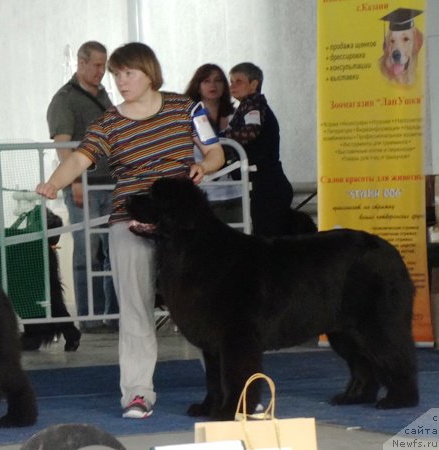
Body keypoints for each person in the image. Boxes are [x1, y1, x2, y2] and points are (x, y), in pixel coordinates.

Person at [36, 42, 225, 419]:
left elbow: (215, 152)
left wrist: (206, 167)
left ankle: (229, 390)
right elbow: (79, 158)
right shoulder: (108, 122)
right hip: (130, 219)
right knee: (136, 309)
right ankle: (138, 393)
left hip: (183, 225)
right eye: (116, 75)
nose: (121, 82)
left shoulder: (185, 108)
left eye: (128, 74)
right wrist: (54, 183)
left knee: (208, 309)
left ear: (149, 72)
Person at [46, 41, 118, 332]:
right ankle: (90, 316)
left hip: (111, 184)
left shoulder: (105, 97)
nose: (101, 71)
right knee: (87, 250)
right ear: (81, 63)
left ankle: (114, 315)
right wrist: (75, 180)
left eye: (104, 65)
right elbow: (63, 145)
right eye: (97, 65)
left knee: (113, 249)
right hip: (84, 185)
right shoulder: (64, 100)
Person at [222, 62, 293, 237]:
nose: (232, 86)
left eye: (238, 81)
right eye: (231, 81)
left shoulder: (253, 105)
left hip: (267, 186)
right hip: (269, 184)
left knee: (267, 238)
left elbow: (250, 132)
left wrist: (220, 138)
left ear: (254, 84)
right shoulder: (250, 106)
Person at [184, 64, 242, 225]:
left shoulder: (236, 115)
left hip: (234, 190)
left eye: (218, 80)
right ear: (197, 85)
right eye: (206, 81)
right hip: (201, 193)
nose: (213, 85)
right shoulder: (187, 117)